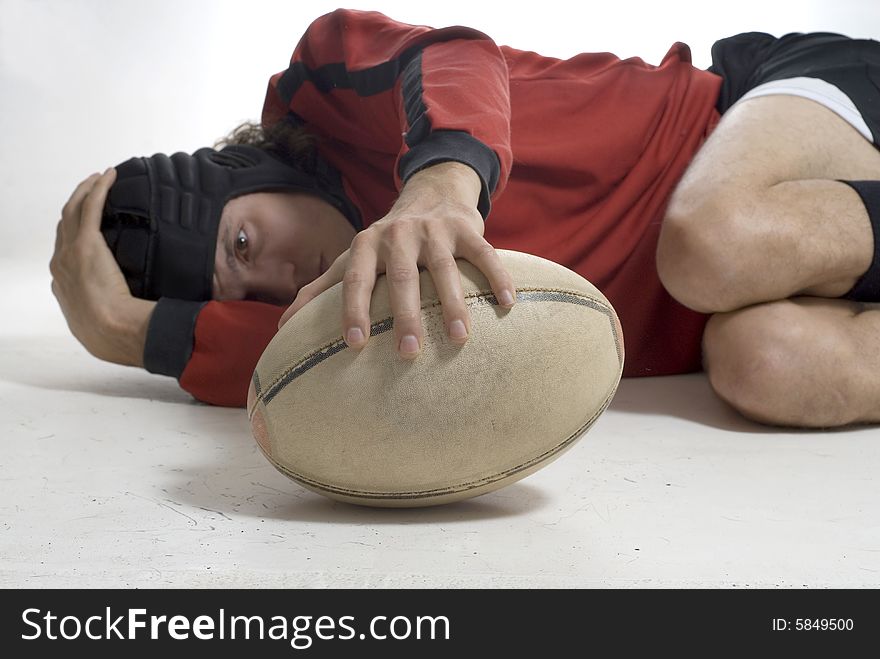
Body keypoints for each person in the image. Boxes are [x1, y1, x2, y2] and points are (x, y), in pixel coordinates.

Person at [50, 8, 880, 429]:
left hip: (757, 117)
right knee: (765, 367)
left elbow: (456, 55)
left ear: (247, 168)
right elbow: (293, 383)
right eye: (248, 290)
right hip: (739, 304)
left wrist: (441, 187)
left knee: (710, 245)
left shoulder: (323, 87)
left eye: (245, 240)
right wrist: (134, 333)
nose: (283, 277)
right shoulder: (347, 311)